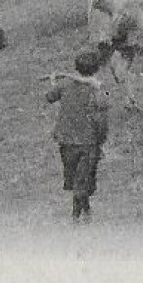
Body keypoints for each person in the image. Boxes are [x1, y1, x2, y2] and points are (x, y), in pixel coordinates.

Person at [46, 50, 110, 222]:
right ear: (96, 70)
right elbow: (105, 106)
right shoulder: (96, 90)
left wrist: (53, 82)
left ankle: (85, 210)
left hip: (66, 141)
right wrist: (101, 88)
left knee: (76, 178)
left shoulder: (65, 84)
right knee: (83, 180)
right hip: (88, 142)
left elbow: (49, 97)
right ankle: (76, 217)